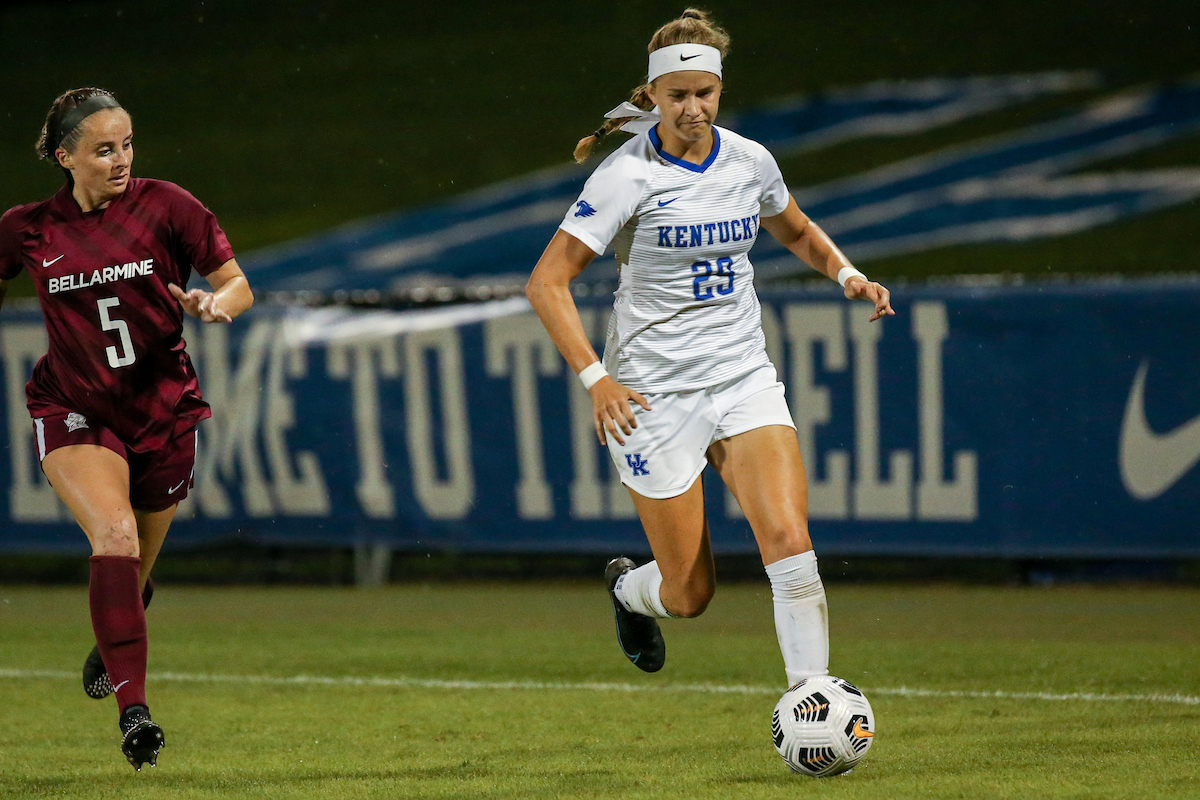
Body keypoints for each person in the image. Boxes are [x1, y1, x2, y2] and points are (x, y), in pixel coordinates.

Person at [526, 10, 893, 692]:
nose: (693, 108)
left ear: (719, 90)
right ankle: (628, 592)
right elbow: (547, 282)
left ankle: (811, 698)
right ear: (655, 96)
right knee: (690, 592)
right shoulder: (626, 176)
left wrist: (848, 275)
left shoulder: (750, 161)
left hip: (740, 374)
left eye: (705, 93)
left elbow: (798, 229)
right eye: (678, 96)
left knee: (789, 542)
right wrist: (597, 381)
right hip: (650, 394)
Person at [0, 88, 254, 770]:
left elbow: (237, 283)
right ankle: (135, 712)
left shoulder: (167, 205)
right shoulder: (27, 228)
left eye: (127, 145)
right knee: (111, 536)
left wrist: (213, 302)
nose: (120, 160)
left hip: (163, 410)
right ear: (65, 157)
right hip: (74, 408)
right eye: (103, 149)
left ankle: (116, 634)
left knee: (135, 566)